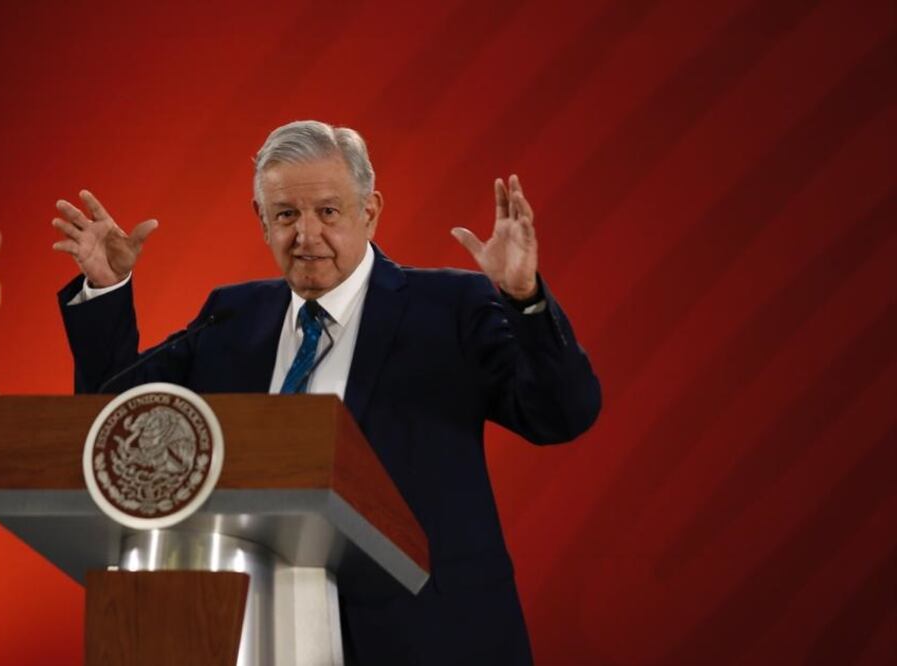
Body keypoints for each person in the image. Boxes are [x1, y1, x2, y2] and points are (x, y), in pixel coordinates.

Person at [53, 120, 601, 665]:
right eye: (286, 215)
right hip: (252, 636)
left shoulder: (449, 307)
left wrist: (524, 300)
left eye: (328, 212)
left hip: (425, 639)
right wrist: (107, 290)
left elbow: (561, 414)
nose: (306, 235)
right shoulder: (231, 316)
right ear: (261, 221)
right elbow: (113, 422)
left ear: (370, 211)